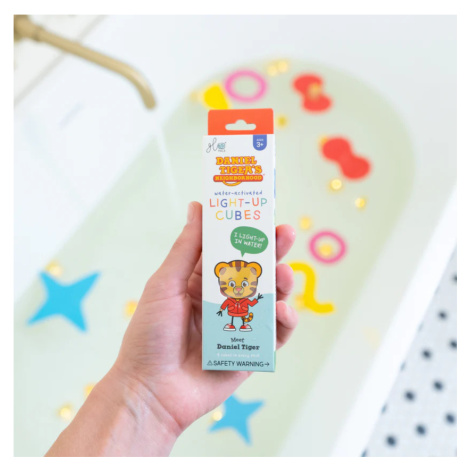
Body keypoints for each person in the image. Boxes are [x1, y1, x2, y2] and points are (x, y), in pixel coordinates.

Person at [46, 202, 298, 456]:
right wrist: (143, 386)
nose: (239, 288)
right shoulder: (222, 292)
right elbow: (226, 303)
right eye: (232, 283)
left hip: (237, 328)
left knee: (254, 315)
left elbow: (249, 301)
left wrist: (146, 395)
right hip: (222, 329)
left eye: (245, 283)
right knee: (241, 318)